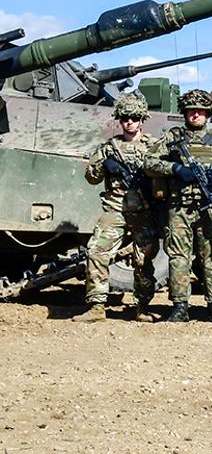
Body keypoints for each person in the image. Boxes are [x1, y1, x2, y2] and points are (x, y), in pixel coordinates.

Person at [144, 89, 212, 323]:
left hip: (209, 207)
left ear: (208, 113)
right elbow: (149, 162)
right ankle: (180, 306)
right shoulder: (173, 138)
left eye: (200, 111)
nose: (195, 115)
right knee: (179, 258)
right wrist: (175, 169)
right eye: (191, 111)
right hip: (179, 208)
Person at [73, 94, 161, 323]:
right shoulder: (109, 148)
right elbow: (91, 178)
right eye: (124, 118)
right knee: (96, 252)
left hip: (145, 211)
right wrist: (105, 165)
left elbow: (166, 177)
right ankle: (96, 307)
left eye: (133, 117)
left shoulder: (154, 147)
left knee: (144, 260)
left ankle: (142, 307)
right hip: (115, 209)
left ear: (142, 120)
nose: (129, 122)